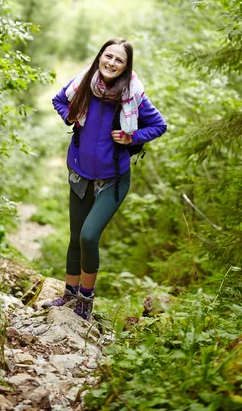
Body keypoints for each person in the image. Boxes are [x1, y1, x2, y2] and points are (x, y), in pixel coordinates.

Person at [42, 38, 167, 321]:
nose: (111, 63)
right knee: (75, 238)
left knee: (89, 236)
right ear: (100, 56)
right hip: (79, 173)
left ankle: (86, 300)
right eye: (108, 56)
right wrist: (71, 118)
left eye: (119, 60)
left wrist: (131, 136)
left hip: (113, 178)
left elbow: (160, 125)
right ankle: (69, 293)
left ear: (126, 66)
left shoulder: (133, 95)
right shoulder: (83, 84)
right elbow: (59, 101)